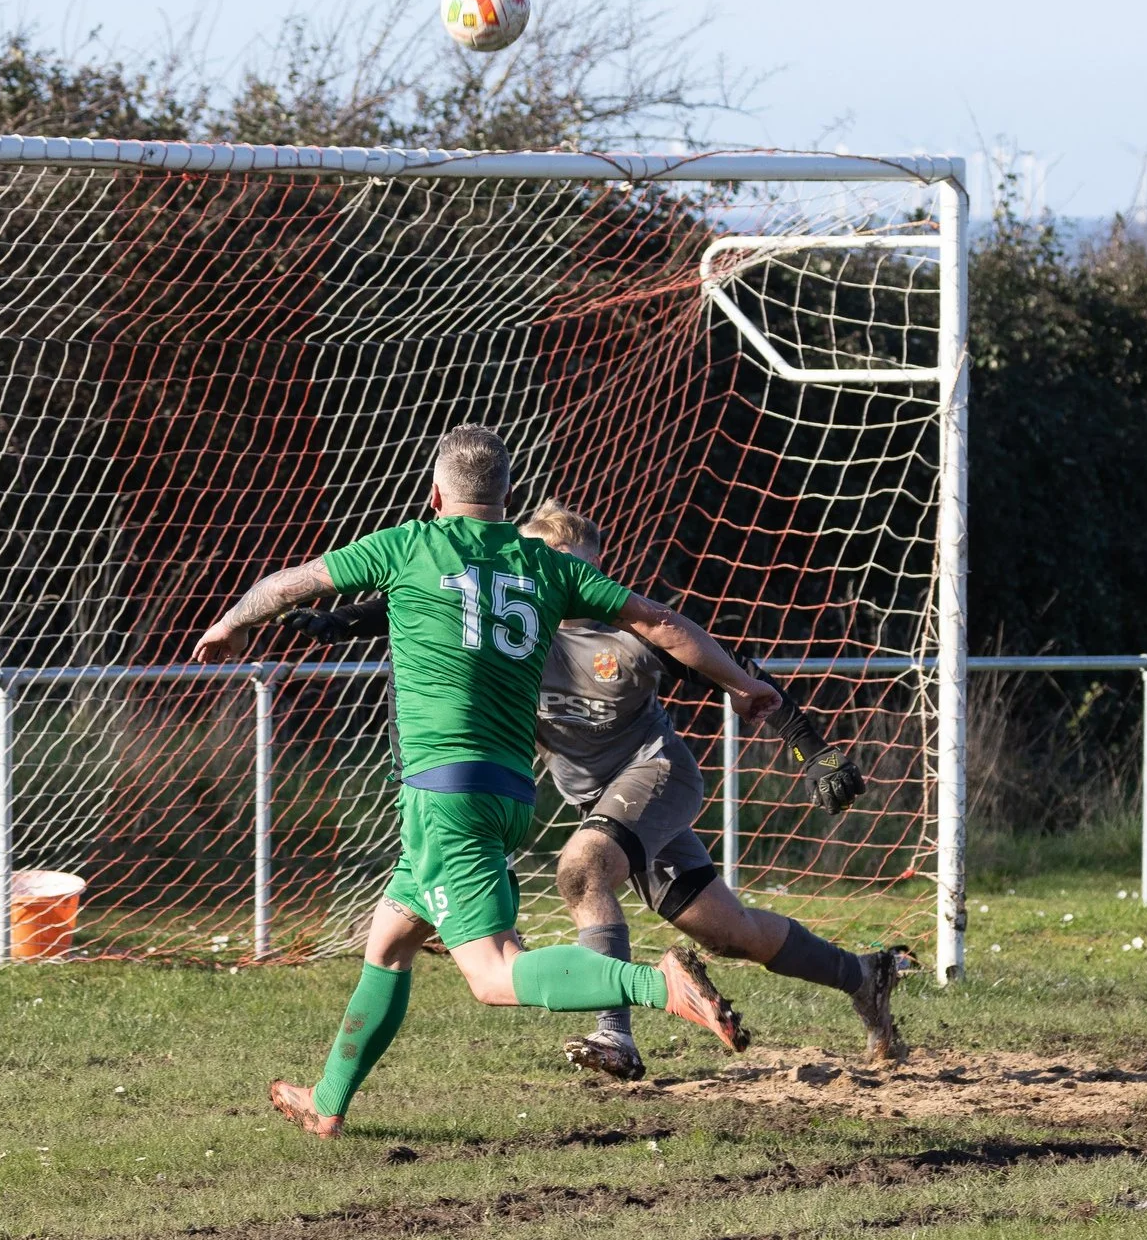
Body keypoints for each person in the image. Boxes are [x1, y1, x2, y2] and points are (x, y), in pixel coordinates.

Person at [191, 425, 782, 1138]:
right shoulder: (545, 565)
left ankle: (661, 988)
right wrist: (742, 683)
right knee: (389, 943)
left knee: (494, 974)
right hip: (507, 791)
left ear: (436, 492)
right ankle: (328, 1101)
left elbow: (290, 585)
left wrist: (231, 623)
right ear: (506, 498)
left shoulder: (409, 544)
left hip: (444, 795)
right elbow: (657, 620)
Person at [286, 498, 910, 1080]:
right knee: (727, 930)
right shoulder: (508, 638)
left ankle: (615, 1035)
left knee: (583, 867)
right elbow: (424, 599)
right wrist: (340, 620)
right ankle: (863, 974)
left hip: (654, 774)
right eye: (530, 566)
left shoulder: (627, 636)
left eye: (560, 569)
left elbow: (739, 672)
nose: (539, 581)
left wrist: (808, 745)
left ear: (588, 571)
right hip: (599, 801)